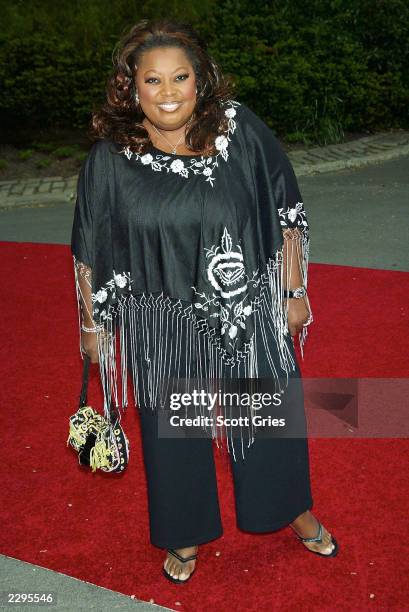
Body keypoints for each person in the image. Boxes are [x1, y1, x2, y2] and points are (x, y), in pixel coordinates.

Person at [71, 19, 339, 584]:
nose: (168, 93)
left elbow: (285, 211)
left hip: (244, 308)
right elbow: (90, 245)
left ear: (201, 79)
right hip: (160, 317)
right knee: (174, 430)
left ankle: (290, 507)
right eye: (153, 80)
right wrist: (92, 325)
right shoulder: (109, 157)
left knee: (267, 415)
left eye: (181, 77)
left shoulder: (241, 130)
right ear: (131, 87)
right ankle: (184, 530)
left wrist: (294, 292)